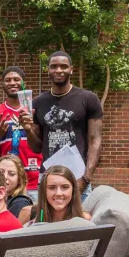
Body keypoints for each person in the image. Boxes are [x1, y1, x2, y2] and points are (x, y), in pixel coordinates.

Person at [22, 52, 104, 199]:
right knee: (47, 222)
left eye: (63, 66)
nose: (58, 70)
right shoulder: (38, 103)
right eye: (54, 66)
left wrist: (86, 178)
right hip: (48, 177)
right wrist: (28, 130)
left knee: (79, 222)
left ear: (71, 69)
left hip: (78, 176)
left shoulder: (88, 99)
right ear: (48, 70)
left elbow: (95, 141)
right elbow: (36, 147)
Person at [0, 66, 44, 201]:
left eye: (16, 79)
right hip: (8, 183)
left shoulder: (35, 110)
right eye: (7, 80)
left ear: (24, 83)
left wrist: (29, 128)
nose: (12, 83)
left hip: (35, 181)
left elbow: (42, 144)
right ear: (3, 85)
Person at [28, 165, 93, 225]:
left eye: (65, 187)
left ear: (73, 190)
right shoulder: (29, 216)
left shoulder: (85, 220)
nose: (58, 193)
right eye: (52, 187)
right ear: (44, 191)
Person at [0, 155, 34, 224]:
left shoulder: (20, 203)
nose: (5, 177)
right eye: (1, 172)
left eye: (11, 174)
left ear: (19, 179)